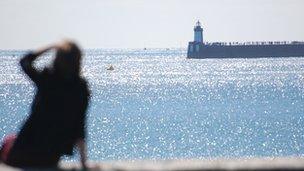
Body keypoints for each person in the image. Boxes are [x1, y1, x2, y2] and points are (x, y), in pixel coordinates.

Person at [1, 41, 90, 169]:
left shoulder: (48, 79)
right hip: (51, 157)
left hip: (21, 154)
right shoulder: (81, 88)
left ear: (57, 59)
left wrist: (51, 47)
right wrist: (84, 164)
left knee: (8, 141)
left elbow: (25, 62)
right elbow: (80, 127)